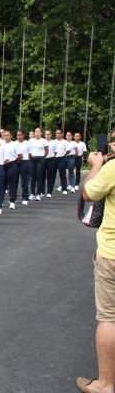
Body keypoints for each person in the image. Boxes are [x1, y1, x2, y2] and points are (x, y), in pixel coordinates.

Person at [77, 151, 115, 393]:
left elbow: (88, 193)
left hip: (112, 252)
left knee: (109, 318)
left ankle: (105, 384)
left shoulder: (112, 168)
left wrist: (97, 165)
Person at [1, 129, 23, 210]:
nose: (6, 137)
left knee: (12, 184)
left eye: (7, 135)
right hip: (2, 165)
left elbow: (20, 156)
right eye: (5, 135)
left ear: (11, 136)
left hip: (12, 164)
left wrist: (13, 159)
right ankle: (1, 201)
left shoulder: (14, 144)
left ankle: (12, 201)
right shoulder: (1, 144)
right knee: (2, 184)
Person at [29, 127, 48, 201]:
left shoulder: (44, 141)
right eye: (35, 132)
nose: (37, 133)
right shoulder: (31, 141)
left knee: (39, 176)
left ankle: (39, 193)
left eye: (38, 132)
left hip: (40, 159)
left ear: (41, 133)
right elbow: (28, 150)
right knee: (33, 177)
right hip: (32, 159)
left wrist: (42, 157)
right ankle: (32, 193)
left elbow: (46, 151)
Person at [15, 129, 31, 205]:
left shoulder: (27, 143)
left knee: (24, 181)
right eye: (17, 135)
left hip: (24, 162)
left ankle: (25, 198)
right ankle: (13, 198)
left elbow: (30, 154)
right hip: (15, 162)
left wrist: (27, 161)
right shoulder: (14, 143)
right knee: (14, 181)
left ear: (23, 135)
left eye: (20, 135)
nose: (19, 137)